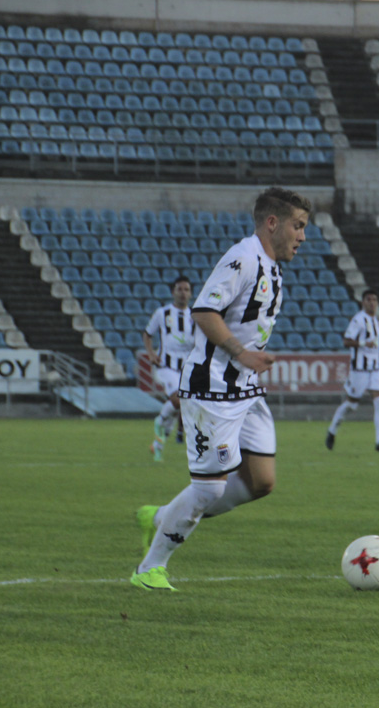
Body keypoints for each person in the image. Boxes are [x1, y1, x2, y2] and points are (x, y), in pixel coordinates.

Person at [130, 187, 311, 591]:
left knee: (261, 481)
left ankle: (161, 516)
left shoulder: (273, 267)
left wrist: (248, 362)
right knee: (209, 487)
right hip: (211, 389)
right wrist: (241, 353)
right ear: (272, 223)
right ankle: (149, 569)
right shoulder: (243, 258)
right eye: (297, 226)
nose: (302, 236)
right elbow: (204, 311)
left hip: (245, 390)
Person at [325, 289, 379, 451]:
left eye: (374, 300)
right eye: (369, 299)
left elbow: (373, 344)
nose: (372, 303)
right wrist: (364, 344)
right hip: (360, 370)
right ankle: (332, 430)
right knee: (351, 404)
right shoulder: (358, 320)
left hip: (376, 368)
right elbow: (346, 341)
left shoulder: (376, 321)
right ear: (363, 302)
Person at [143, 276, 196, 462]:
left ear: (190, 294)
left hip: (186, 370)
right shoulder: (162, 313)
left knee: (178, 408)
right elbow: (147, 334)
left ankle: (158, 444)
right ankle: (160, 420)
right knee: (179, 400)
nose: (183, 293)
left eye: (186, 290)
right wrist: (150, 354)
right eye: (179, 289)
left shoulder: (195, 317)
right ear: (173, 292)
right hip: (166, 367)